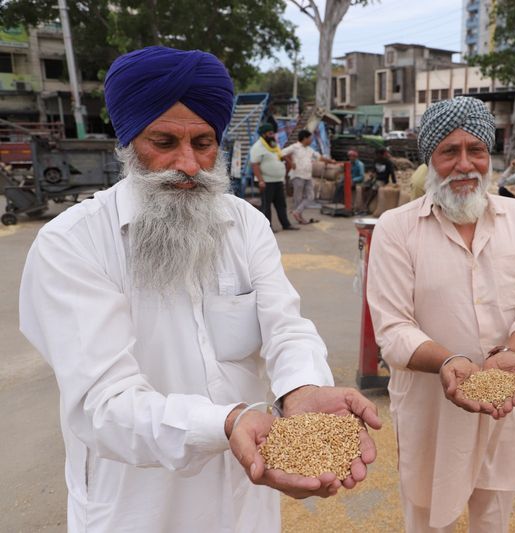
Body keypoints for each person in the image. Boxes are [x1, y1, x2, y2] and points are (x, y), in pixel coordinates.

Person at [18, 46, 381, 532]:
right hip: (136, 507)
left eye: (204, 143)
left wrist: (302, 388)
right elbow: (103, 404)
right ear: (128, 143)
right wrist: (228, 422)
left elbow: (285, 326)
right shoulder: (72, 243)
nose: (188, 164)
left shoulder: (246, 224)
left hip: (243, 499)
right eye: (164, 142)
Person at [367, 96, 515, 532]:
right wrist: (449, 362)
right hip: (430, 408)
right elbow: (393, 327)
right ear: (429, 160)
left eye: (475, 150)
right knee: (427, 517)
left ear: (489, 156)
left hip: (503, 401)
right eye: (449, 152)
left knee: (493, 519)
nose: (464, 165)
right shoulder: (397, 228)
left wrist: (513, 351)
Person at [282, 129, 340, 224]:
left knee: (310, 196)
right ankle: (299, 217)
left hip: (307, 176)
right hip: (298, 175)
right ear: (304, 138)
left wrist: (331, 162)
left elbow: (320, 158)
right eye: (310, 138)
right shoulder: (294, 147)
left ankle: (297, 212)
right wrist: (291, 163)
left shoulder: (310, 150)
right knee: (298, 198)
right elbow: (282, 153)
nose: (311, 140)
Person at [249, 123, 298, 231]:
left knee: (281, 204)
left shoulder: (274, 145)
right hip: (266, 181)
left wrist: (289, 163)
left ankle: (286, 224)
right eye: (270, 133)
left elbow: (281, 155)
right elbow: (255, 165)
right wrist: (261, 181)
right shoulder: (257, 147)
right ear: (264, 134)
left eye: (273, 133)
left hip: (278, 181)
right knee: (266, 206)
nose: (272, 135)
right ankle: (267, 228)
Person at [361, 147, 397, 213]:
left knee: (374, 188)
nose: (377, 156)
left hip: (383, 180)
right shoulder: (376, 161)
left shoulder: (388, 162)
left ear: (382, 154)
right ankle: (363, 204)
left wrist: (394, 182)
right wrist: (372, 175)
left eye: (378, 155)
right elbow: (374, 170)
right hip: (375, 179)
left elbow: (392, 173)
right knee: (364, 187)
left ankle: (366, 205)